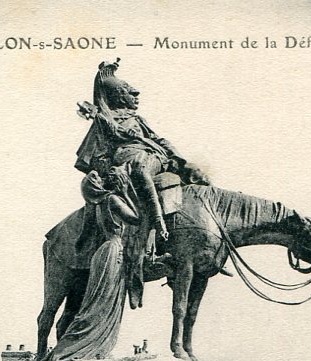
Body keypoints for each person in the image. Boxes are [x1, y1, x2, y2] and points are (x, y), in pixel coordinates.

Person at [75, 60, 210, 308]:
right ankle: (157, 224)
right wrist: (100, 120)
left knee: (198, 176)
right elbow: (98, 153)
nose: (135, 94)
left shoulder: (136, 119)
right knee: (138, 167)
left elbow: (156, 138)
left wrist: (177, 157)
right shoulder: (105, 120)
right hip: (131, 164)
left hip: (156, 157)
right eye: (129, 91)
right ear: (117, 96)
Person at [43, 166, 140, 361]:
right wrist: (128, 195)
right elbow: (135, 219)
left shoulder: (95, 205)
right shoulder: (113, 200)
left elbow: (85, 234)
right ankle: (87, 346)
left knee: (95, 302)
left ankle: (81, 345)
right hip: (113, 251)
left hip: (101, 254)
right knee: (101, 303)